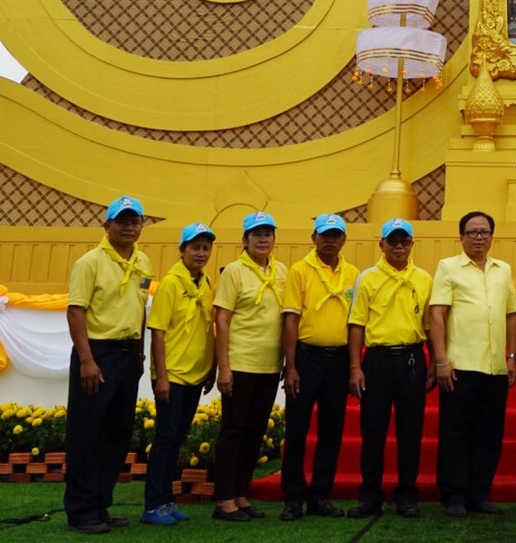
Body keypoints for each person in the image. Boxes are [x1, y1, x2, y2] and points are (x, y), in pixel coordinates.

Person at [64, 195, 153, 535]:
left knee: (117, 433)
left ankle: (101, 504)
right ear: (107, 226)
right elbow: (76, 311)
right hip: (97, 353)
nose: (130, 227)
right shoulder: (89, 262)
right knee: (87, 433)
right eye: (123, 221)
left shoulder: (143, 261)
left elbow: (141, 307)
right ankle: (81, 511)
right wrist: (86, 360)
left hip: (129, 353)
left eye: (136, 221)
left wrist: (141, 353)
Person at [428, 210, 516, 518]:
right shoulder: (448, 267)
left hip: (494, 366)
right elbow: (438, 314)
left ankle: (481, 492)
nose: (478, 237)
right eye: (472, 232)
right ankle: (454, 495)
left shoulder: (502, 269)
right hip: (460, 364)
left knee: (489, 432)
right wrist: (441, 360)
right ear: (461, 236)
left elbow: (510, 314)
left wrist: (510, 356)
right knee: (456, 432)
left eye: (484, 232)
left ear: (492, 236)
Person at [346, 218, 434, 518]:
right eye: (392, 241)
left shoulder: (423, 278)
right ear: (381, 244)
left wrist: (434, 361)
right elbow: (356, 324)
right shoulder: (367, 278)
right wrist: (355, 366)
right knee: (373, 430)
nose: (398, 246)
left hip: (411, 359)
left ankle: (407, 494)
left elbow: (430, 326)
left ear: (411, 244)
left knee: (411, 431)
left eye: (404, 241)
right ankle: (370, 494)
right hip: (377, 361)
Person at [279, 212, 359, 520]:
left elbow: (356, 322)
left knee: (331, 429)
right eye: (325, 235)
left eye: (336, 235)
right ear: (313, 238)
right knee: (297, 428)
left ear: (344, 240)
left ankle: (320, 494)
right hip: (306, 356)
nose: (330, 240)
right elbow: (291, 319)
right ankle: (293, 496)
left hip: (338, 359)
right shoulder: (300, 270)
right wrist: (291, 365)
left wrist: (353, 365)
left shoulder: (353, 273)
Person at [210, 210, 286, 521]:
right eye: (257, 234)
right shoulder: (234, 272)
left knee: (255, 432)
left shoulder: (281, 270)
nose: (263, 239)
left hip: (269, 366)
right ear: (245, 240)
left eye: (268, 234)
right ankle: (224, 499)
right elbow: (222, 319)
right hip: (240, 364)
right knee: (233, 431)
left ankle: (241, 494)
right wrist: (223, 367)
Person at [141, 221, 217, 526]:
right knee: (166, 438)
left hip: (195, 373)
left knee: (177, 438)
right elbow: (157, 331)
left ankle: (166, 501)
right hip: (171, 374)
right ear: (182, 250)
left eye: (205, 248)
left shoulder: (206, 282)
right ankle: (152, 505)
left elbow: (206, 329)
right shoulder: (172, 283)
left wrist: (211, 366)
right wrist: (161, 375)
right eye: (195, 247)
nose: (200, 253)